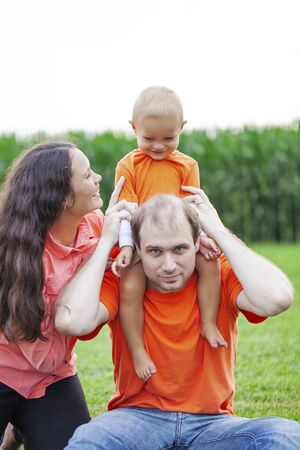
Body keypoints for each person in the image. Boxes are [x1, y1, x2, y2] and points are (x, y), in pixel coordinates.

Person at [56, 189, 300, 449]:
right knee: (89, 442)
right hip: (135, 420)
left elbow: (277, 298)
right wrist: (105, 244)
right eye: (155, 251)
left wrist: (218, 231)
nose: (169, 265)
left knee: (285, 436)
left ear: (196, 242)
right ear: (138, 248)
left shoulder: (219, 273)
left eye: (180, 248)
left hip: (212, 425)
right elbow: (71, 321)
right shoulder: (122, 278)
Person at [0, 142, 133, 450]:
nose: (98, 177)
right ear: (62, 198)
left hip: (52, 377)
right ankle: (18, 424)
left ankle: (20, 430)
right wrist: (100, 254)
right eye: (87, 175)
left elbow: (135, 252)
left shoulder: (93, 224)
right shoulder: (17, 255)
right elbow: (41, 355)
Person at [113, 86, 225, 381]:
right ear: (134, 128)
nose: (159, 146)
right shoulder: (129, 165)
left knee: (211, 265)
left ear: (182, 129)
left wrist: (202, 239)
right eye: (148, 138)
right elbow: (126, 211)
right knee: (130, 288)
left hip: (179, 238)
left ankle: (209, 322)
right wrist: (127, 246)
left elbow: (193, 209)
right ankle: (137, 349)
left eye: (169, 138)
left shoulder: (187, 165)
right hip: (141, 241)